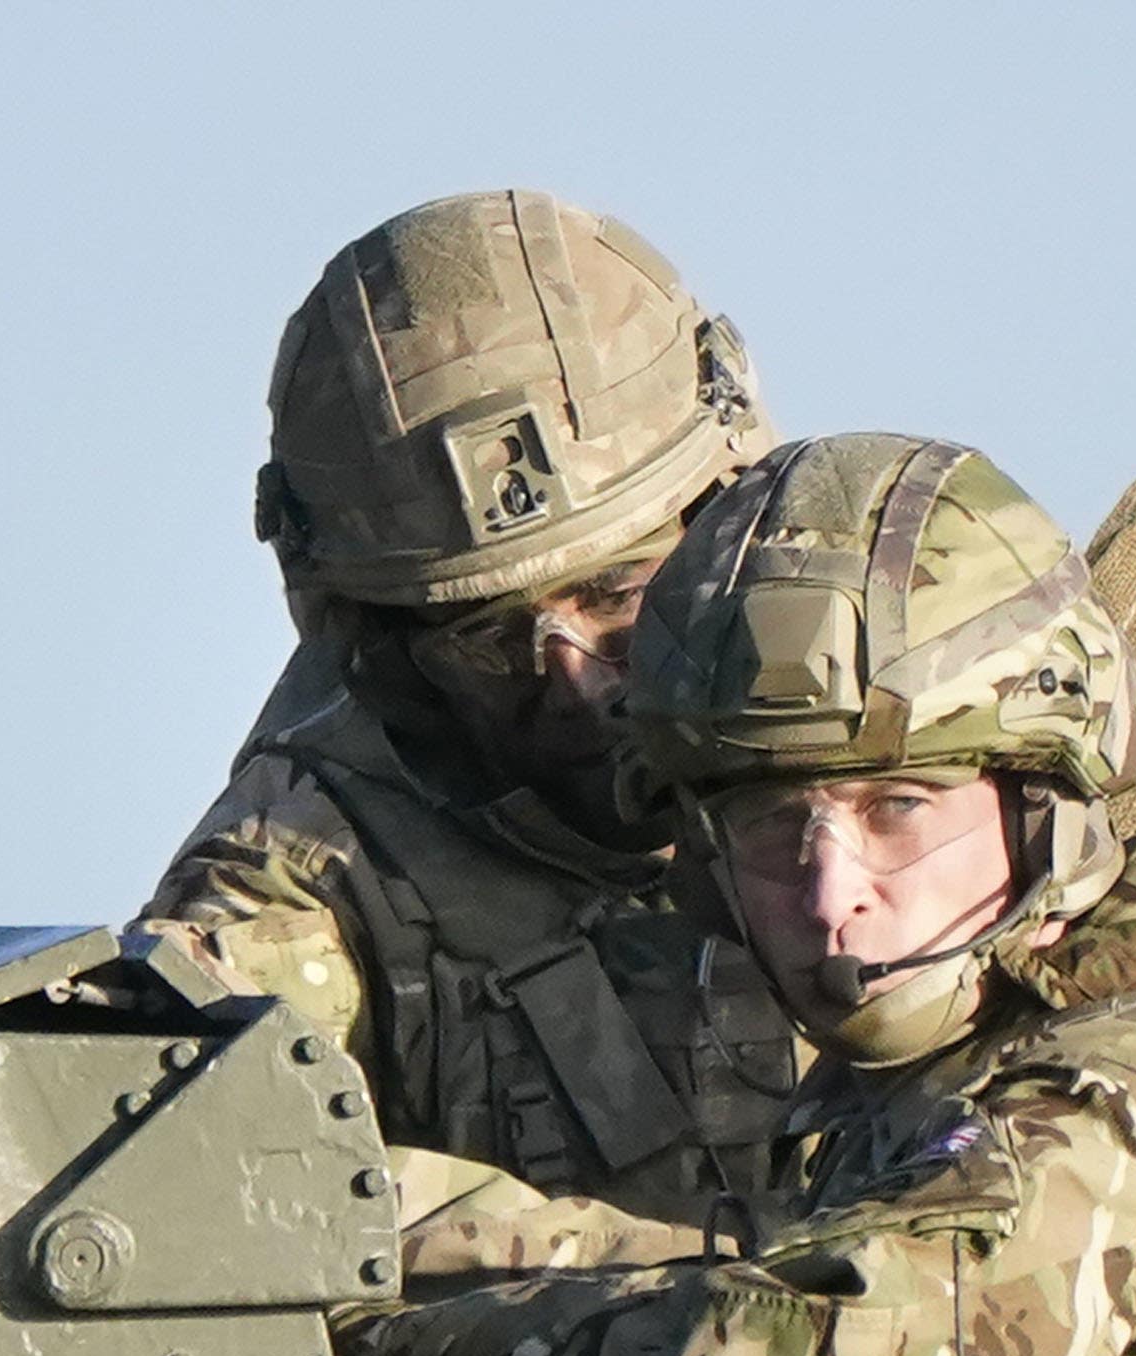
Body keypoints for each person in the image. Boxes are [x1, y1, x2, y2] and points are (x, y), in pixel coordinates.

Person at [339, 434, 1136, 1356]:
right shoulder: (942, 1073)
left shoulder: (1132, 1101)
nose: (831, 896)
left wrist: (368, 1327)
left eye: (898, 809)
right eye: (775, 829)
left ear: (1043, 801)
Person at [143, 190, 795, 1216]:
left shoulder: (915, 697)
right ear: (391, 647)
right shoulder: (316, 863)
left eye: (621, 597)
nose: (578, 685)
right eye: (492, 639)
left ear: (727, 524)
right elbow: (191, 1171)